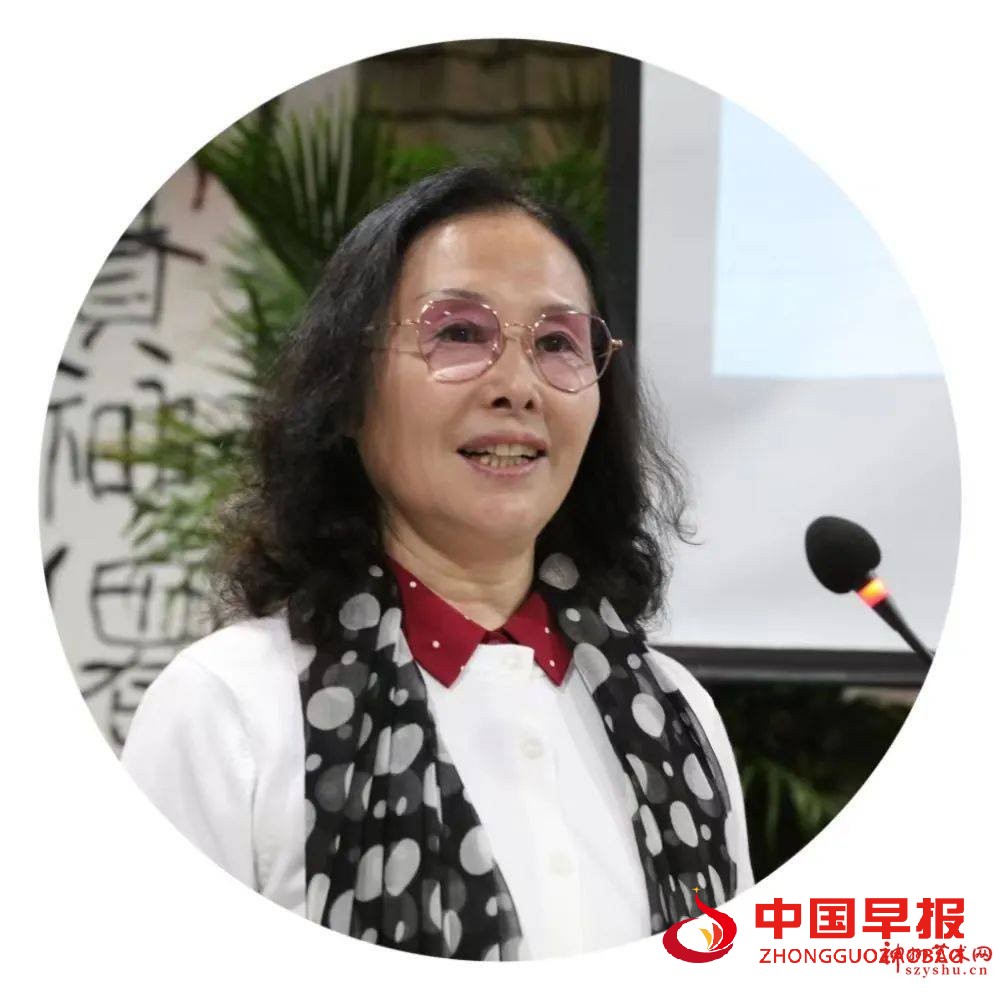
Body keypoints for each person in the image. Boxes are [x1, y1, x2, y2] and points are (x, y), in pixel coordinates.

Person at [121, 163, 754, 961]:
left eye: (557, 343)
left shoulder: (675, 710)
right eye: (458, 333)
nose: (518, 386)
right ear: (349, 391)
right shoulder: (227, 708)